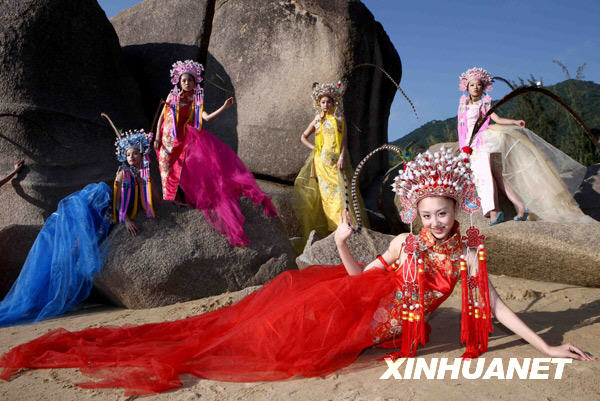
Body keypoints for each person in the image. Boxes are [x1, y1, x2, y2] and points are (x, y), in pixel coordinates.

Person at [0, 147, 593, 395]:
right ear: (417, 213)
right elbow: (361, 281)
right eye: (428, 214)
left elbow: (493, 304)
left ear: (458, 211)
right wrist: (340, 243)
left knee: (285, 340)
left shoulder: (467, 252)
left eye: (445, 214)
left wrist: (548, 345)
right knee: (262, 334)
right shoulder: (407, 245)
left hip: (382, 326)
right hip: (359, 305)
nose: (436, 222)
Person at [0, 128, 156, 326]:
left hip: (108, 213)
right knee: (75, 251)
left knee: (77, 254)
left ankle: (61, 294)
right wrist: (126, 220)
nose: (131, 156)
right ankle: (53, 296)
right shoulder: (122, 173)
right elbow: (118, 202)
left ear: (142, 153)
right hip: (102, 212)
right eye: (128, 153)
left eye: (134, 153)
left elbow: (152, 194)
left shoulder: (143, 173)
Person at [154, 59, 277, 246]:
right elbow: (162, 116)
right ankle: (171, 200)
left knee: (187, 168)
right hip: (167, 139)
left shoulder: (195, 100)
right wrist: (156, 136)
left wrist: (224, 107)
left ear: (195, 83)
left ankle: (184, 199)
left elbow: (207, 117)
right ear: (179, 81)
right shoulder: (172, 97)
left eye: (190, 80)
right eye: (184, 80)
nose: (187, 83)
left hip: (186, 138)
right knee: (166, 168)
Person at [457, 67, 593, 224]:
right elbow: (462, 128)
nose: (476, 87)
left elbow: (497, 119)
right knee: (498, 176)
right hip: (471, 142)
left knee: (483, 175)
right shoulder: (463, 104)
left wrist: (514, 122)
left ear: (483, 87)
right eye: (472, 85)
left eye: (479, 85)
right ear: (466, 87)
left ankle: (494, 211)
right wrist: (464, 147)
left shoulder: (484, 103)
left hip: (484, 140)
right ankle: (521, 206)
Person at [293, 82, 368, 246]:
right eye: (323, 102)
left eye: (329, 101)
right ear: (318, 104)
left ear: (334, 103)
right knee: (327, 196)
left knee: (341, 192)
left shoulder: (340, 120)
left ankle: (345, 224)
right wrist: (315, 149)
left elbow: (344, 142)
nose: (326, 105)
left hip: (336, 162)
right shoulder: (317, 120)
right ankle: (332, 228)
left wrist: (342, 157)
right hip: (322, 162)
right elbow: (303, 136)